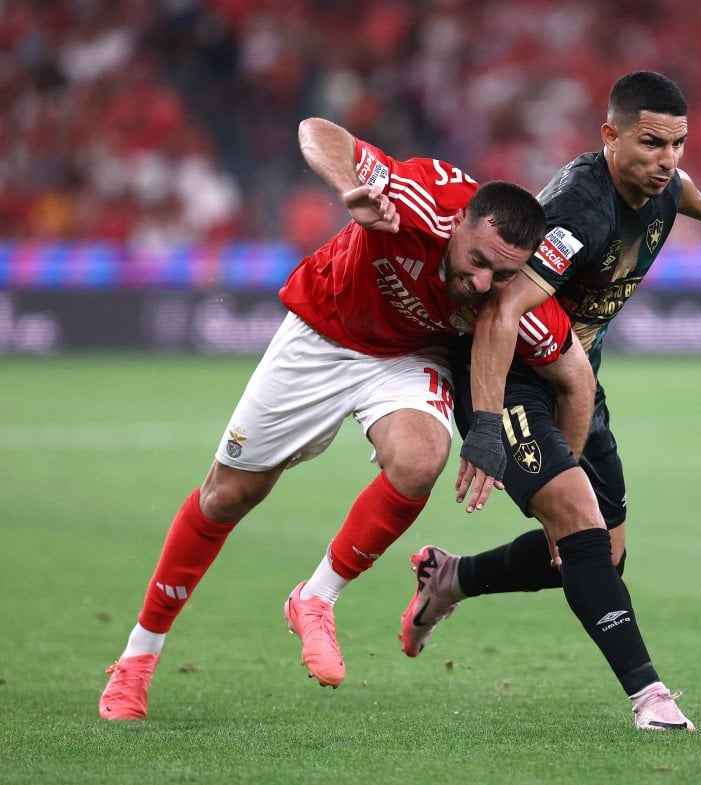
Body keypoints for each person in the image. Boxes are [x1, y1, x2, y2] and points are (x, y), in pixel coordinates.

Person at [98, 117, 594, 720]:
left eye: (503, 273)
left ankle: (315, 598)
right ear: (459, 222)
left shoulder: (511, 297)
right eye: (478, 261)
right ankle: (138, 657)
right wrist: (348, 189)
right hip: (324, 330)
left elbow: (576, 381)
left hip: (409, 358)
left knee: (419, 460)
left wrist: (553, 504)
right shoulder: (419, 197)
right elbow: (315, 130)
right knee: (228, 496)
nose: (483, 282)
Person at [399, 71, 701, 732]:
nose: (668, 159)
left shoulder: (660, 184)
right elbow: (503, 307)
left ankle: (450, 577)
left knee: (601, 557)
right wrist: (484, 423)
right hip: (509, 374)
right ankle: (650, 695)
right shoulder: (579, 209)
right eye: (651, 142)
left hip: (576, 383)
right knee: (578, 525)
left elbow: (679, 189)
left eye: (678, 143)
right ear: (610, 135)